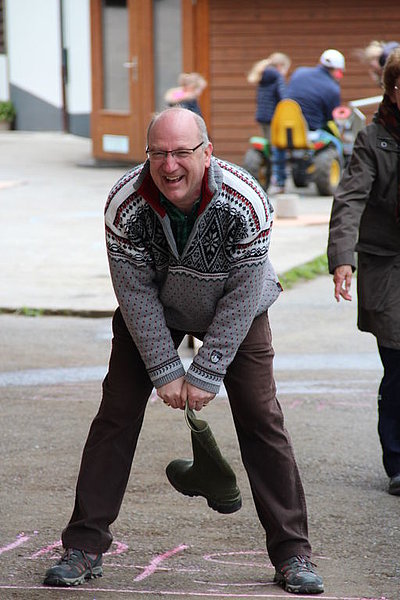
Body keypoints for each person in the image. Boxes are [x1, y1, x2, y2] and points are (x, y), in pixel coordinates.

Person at [43, 107, 324, 595]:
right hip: (157, 308)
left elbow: (243, 296)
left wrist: (207, 370)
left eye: (181, 152)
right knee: (115, 414)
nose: (169, 165)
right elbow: (134, 294)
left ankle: (293, 553)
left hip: (237, 307)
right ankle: (83, 546)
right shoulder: (124, 205)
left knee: (261, 416)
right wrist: (165, 368)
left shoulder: (246, 201)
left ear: (207, 153)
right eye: (158, 154)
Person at [327, 48, 400, 496]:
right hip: (386, 261)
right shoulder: (373, 139)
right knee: (398, 361)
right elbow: (350, 199)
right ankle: (397, 462)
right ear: (392, 90)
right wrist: (342, 258)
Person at [248, 52, 291, 193]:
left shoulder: (263, 75)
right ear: (280, 66)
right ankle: (277, 180)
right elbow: (284, 98)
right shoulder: (277, 76)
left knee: (269, 147)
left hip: (263, 116)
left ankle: (267, 176)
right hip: (274, 118)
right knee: (278, 148)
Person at [285, 49, 345, 131]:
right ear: (338, 70)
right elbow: (332, 118)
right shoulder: (332, 88)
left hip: (285, 128)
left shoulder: (299, 72)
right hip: (311, 132)